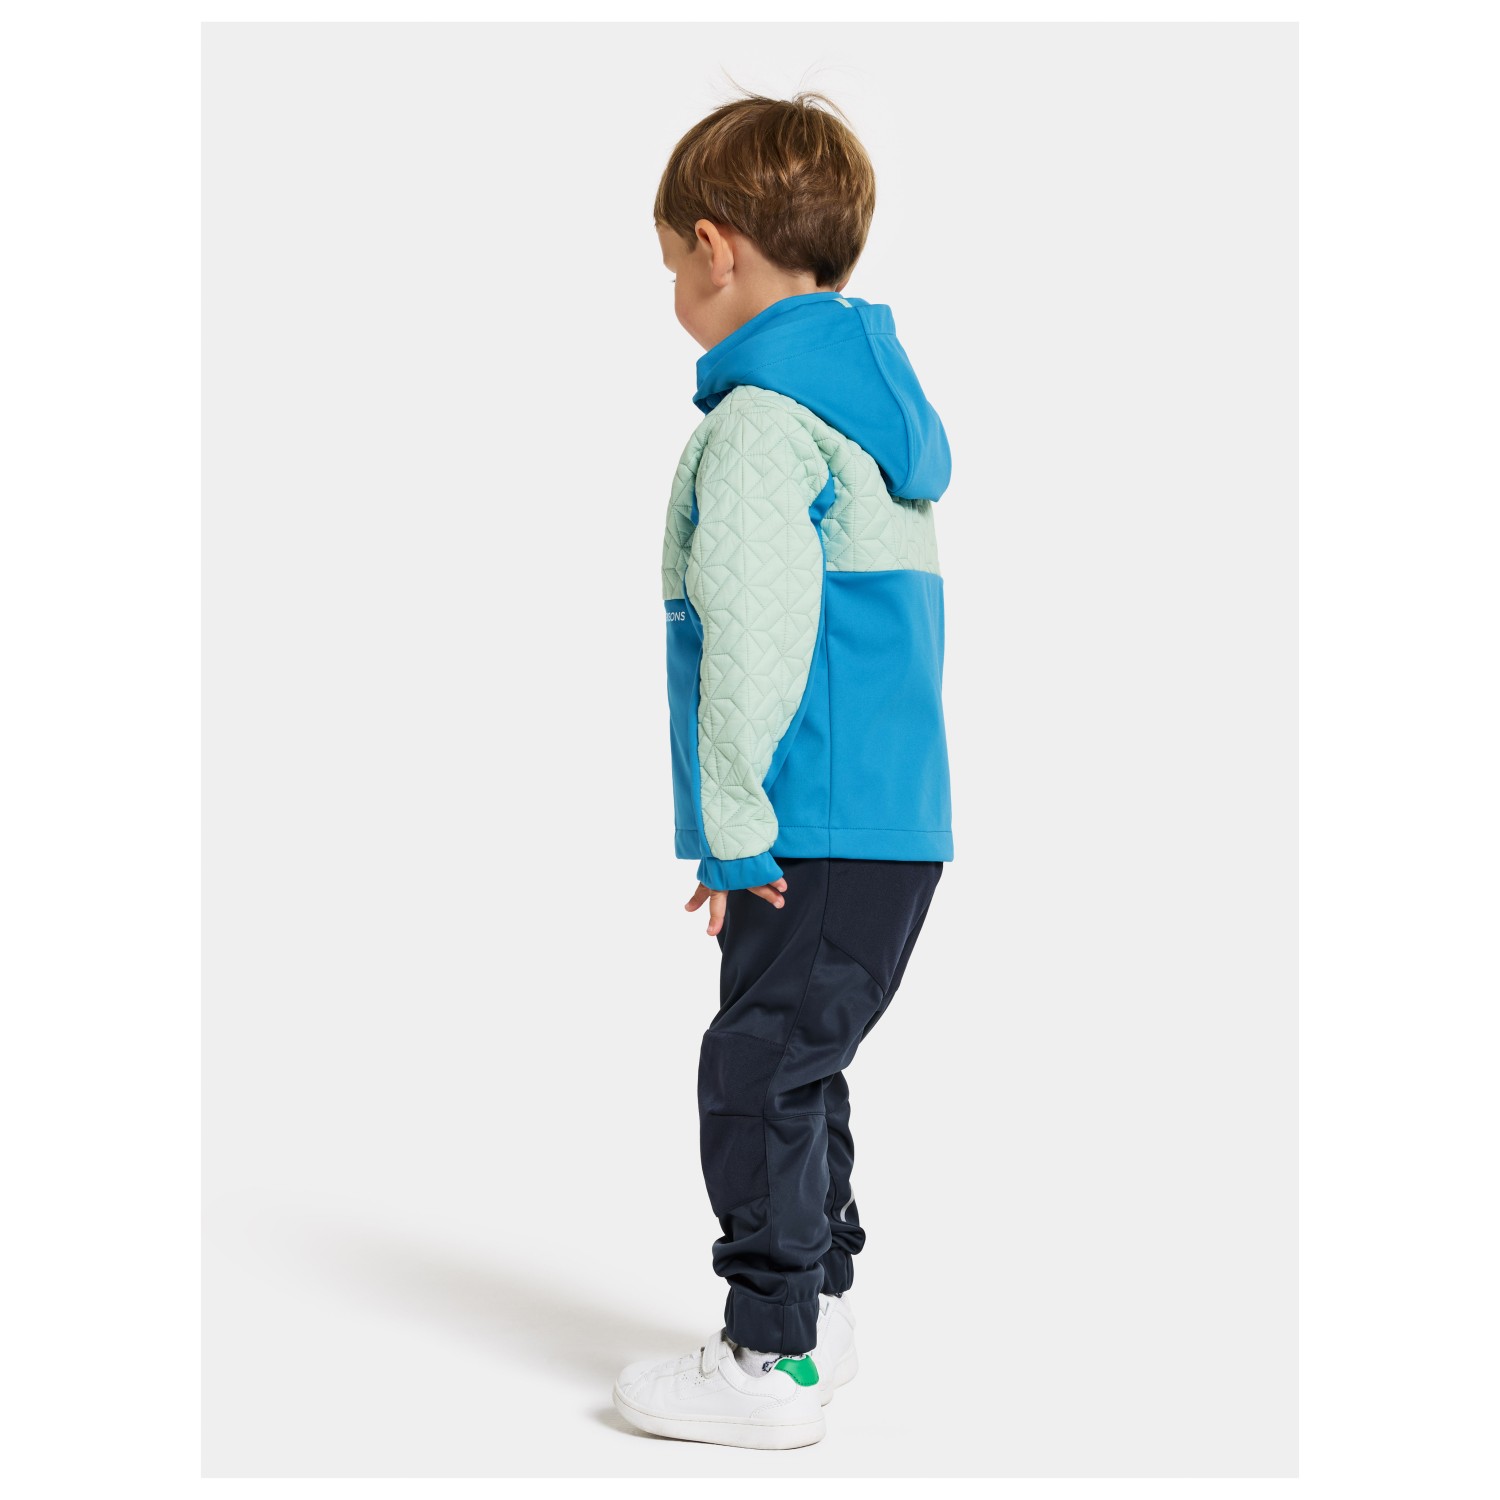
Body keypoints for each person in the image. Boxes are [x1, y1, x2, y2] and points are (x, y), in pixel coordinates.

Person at [612, 89, 955, 1451]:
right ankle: (823, 1305)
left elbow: (754, 630)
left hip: (808, 818)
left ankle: (768, 1359)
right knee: (806, 1063)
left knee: (757, 1070)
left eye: (669, 268)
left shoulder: (763, 420)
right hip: (890, 825)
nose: (674, 298)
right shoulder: (867, 416)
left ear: (717, 248)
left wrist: (734, 821)